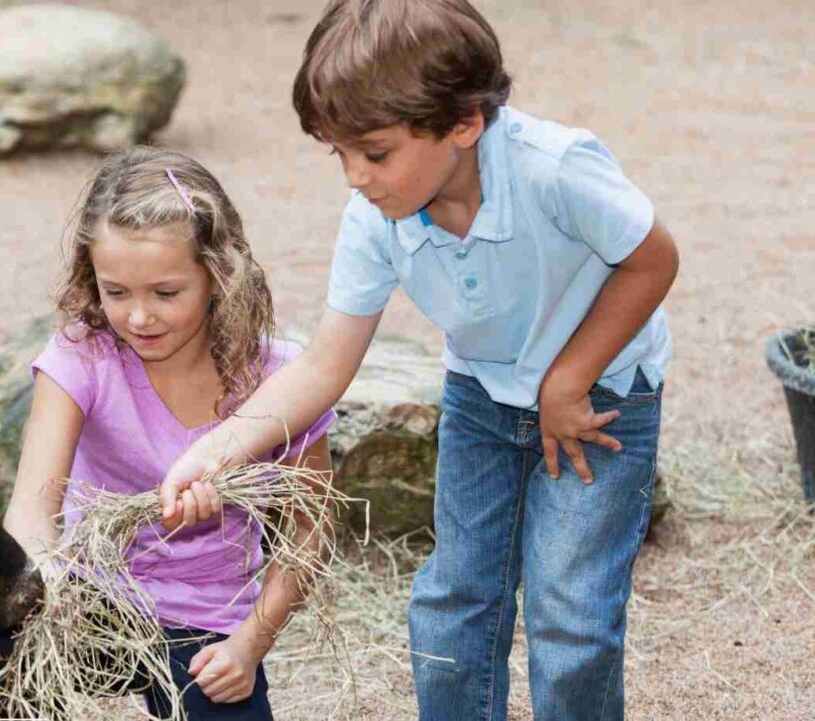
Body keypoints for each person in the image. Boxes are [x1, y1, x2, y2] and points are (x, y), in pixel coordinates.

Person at [158, 1, 680, 719]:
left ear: (464, 123)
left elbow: (653, 260)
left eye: (373, 153)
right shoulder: (377, 215)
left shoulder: (554, 170)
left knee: (569, 612)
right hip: (482, 395)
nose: (354, 177)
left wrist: (569, 377)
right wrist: (217, 449)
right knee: (451, 603)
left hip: (601, 397)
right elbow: (322, 367)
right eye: (337, 153)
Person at [0, 146, 337, 720]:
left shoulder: (280, 379)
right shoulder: (81, 358)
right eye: (116, 293)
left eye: (166, 293)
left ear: (219, 276)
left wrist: (249, 644)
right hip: (94, 599)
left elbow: (312, 531)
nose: (139, 317)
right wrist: (49, 580)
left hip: (207, 619)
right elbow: (32, 511)